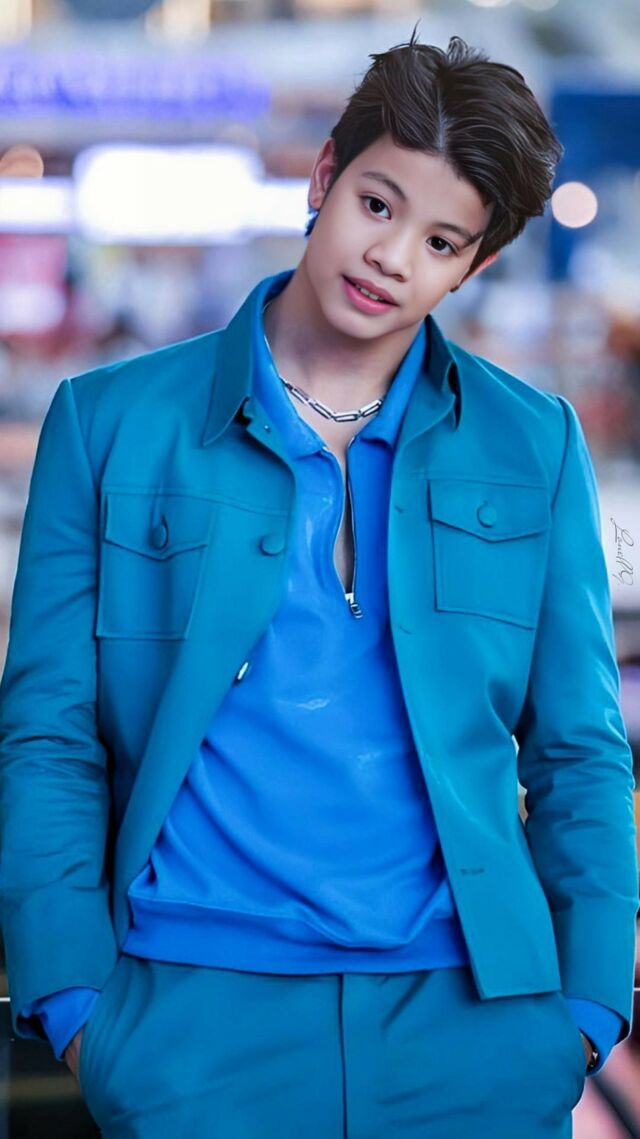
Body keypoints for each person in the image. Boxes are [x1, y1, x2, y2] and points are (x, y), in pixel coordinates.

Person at [0, 25, 637, 1139]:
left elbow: (579, 747)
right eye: (378, 204)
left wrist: (585, 1007)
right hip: (189, 1019)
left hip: (476, 1027)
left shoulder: (533, 442)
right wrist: (72, 999)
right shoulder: (108, 424)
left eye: (441, 240)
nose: (392, 257)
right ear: (325, 175)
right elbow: (48, 733)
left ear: (473, 267)